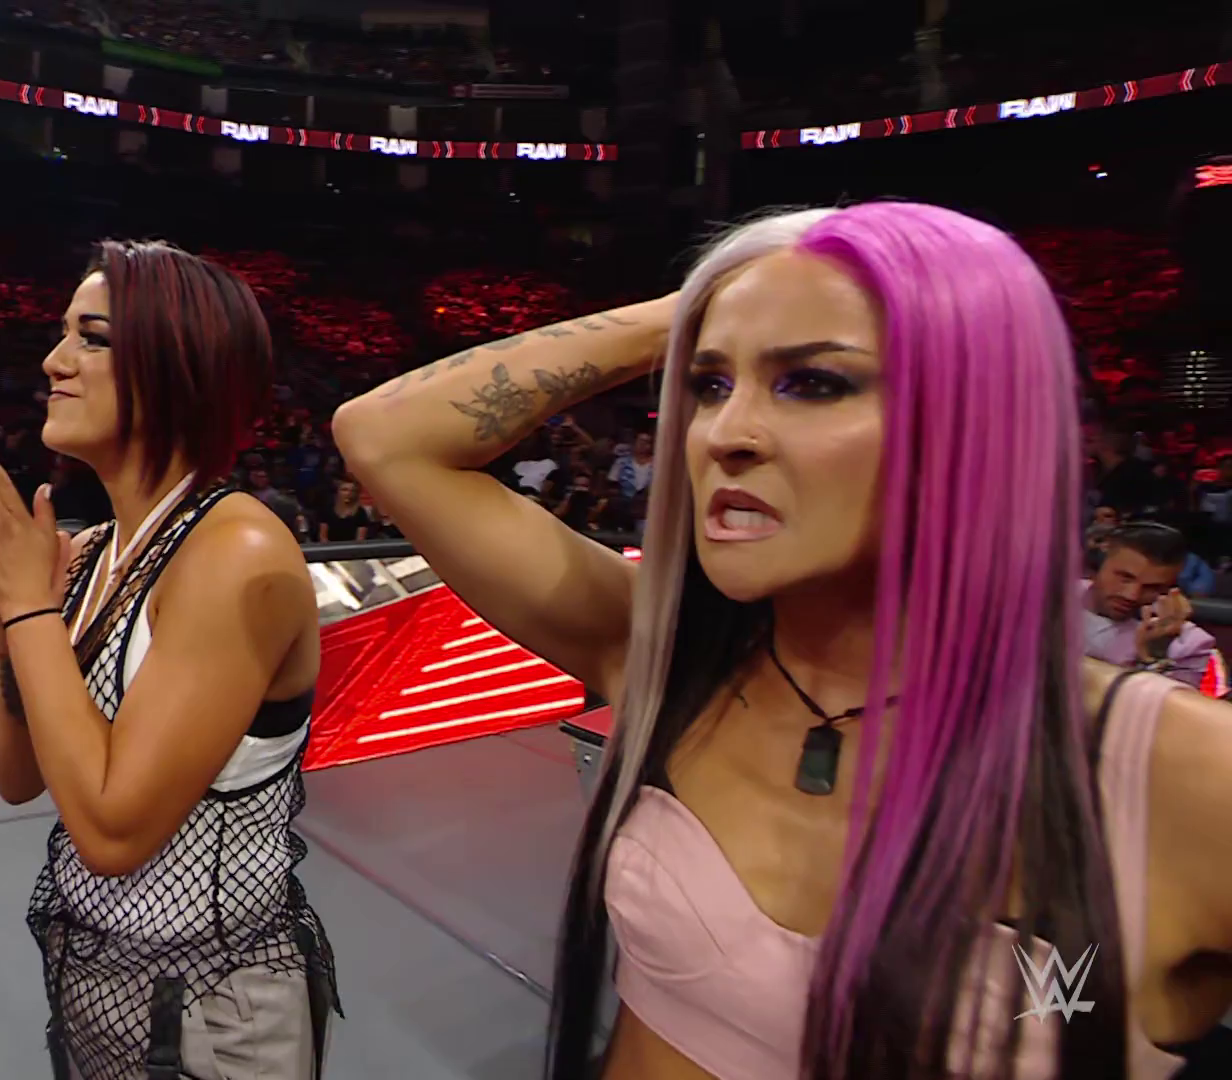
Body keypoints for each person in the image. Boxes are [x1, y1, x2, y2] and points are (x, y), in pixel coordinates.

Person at [333, 203, 1232, 1079]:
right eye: (709, 385)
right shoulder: (663, 653)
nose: (726, 434)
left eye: (814, 382)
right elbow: (384, 435)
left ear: (978, 416)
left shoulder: (1185, 778)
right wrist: (719, 299)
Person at [0, 240, 338, 1080]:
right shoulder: (93, 553)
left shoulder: (236, 552)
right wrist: (6, 633)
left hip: (215, 1008)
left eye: (91, 338)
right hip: (96, 982)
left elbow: (113, 832)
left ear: (176, 368)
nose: (54, 361)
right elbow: (18, 776)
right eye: (63, 334)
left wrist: (30, 609)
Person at [1084, 522, 1217, 690]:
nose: (1131, 595)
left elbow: (1167, 706)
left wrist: (1153, 658)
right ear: (1097, 566)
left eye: (1152, 587)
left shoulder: (1190, 644)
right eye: (1125, 578)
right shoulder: (1055, 597)